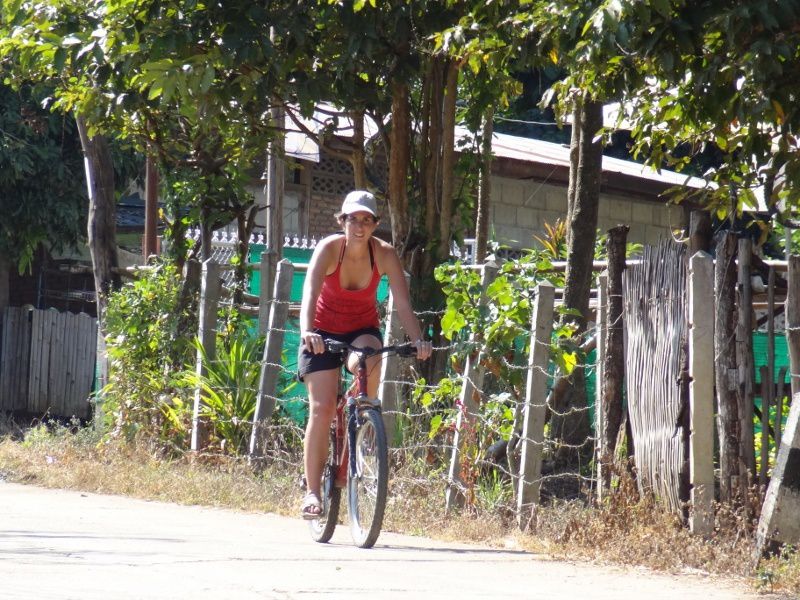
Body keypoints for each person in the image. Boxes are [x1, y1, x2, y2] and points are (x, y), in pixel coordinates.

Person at [298, 190, 432, 519]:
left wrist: (418, 340)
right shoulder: (330, 249)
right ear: (342, 221)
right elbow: (310, 290)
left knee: (370, 360)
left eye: (367, 220)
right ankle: (313, 493)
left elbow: (402, 302)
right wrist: (307, 331)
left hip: (361, 331)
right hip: (321, 335)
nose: (359, 226)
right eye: (353, 219)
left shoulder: (384, 254)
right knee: (322, 408)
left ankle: (363, 423)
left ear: (375, 224)